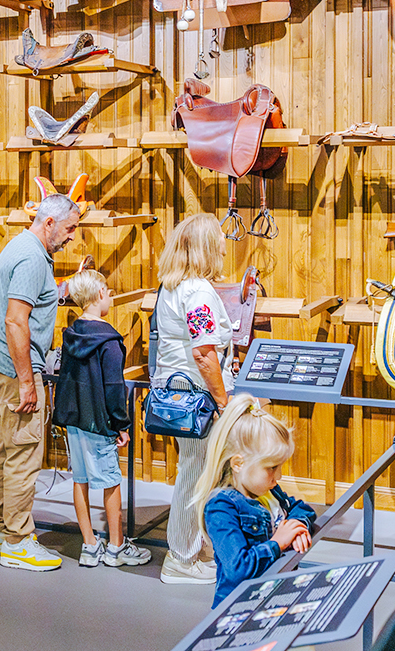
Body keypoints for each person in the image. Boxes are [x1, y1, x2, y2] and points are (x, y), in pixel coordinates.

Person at [0, 192, 82, 571]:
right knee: (24, 452)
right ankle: (18, 542)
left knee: (5, 447)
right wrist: (27, 380)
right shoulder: (31, 259)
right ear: (49, 222)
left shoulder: (23, 246)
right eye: (69, 228)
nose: (72, 236)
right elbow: (15, 320)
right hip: (16, 368)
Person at [152, 213, 235, 584]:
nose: (224, 244)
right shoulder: (198, 291)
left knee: (198, 470)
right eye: (219, 238)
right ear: (206, 246)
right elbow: (203, 353)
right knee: (196, 473)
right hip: (198, 395)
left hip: (182, 390)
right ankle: (181, 558)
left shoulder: (173, 285)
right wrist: (223, 401)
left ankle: (194, 549)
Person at [51, 269, 152, 569]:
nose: (109, 296)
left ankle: (89, 545)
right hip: (100, 423)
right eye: (107, 291)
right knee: (111, 481)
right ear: (98, 295)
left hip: (74, 421)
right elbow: (114, 388)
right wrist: (121, 425)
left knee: (80, 479)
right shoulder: (109, 340)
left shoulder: (71, 334)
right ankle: (117, 547)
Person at [193, 394, 317, 605]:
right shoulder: (221, 507)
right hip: (241, 608)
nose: (278, 477)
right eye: (272, 468)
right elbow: (238, 568)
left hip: (276, 598)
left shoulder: (268, 491)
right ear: (238, 464)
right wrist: (278, 543)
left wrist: (296, 526)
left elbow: (302, 509)